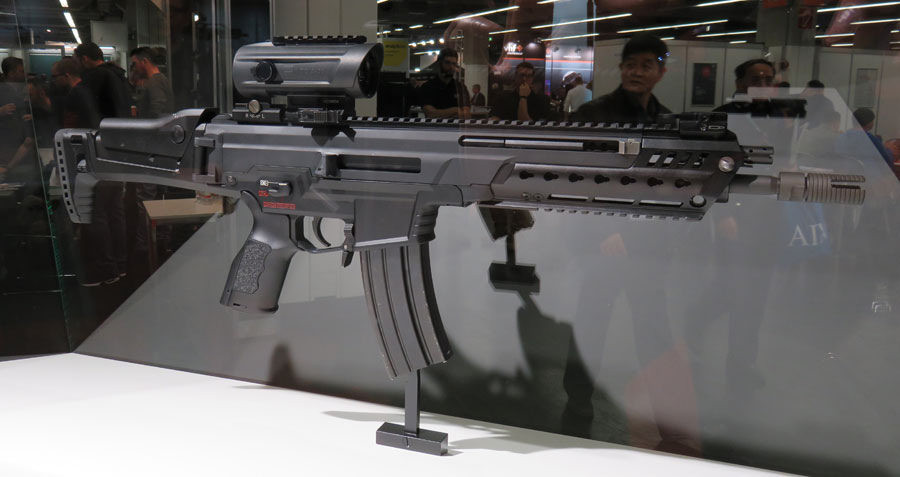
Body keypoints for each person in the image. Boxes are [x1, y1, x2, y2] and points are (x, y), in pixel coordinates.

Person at [573, 34, 669, 123]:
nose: (637, 73)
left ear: (660, 73)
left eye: (646, 66)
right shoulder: (591, 114)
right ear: (621, 67)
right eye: (630, 65)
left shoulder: (665, 118)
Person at [74, 42, 132, 120]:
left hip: (106, 125)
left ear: (84, 59)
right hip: (122, 123)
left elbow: (84, 107)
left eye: (76, 62)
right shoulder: (117, 73)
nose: (76, 66)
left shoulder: (94, 77)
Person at [419, 49, 470, 119]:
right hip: (435, 126)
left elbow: (466, 114)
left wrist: (440, 113)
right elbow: (430, 114)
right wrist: (456, 110)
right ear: (439, 64)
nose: (451, 67)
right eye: (447, 63)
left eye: (454, 64)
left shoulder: (460, 87)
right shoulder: (428, 87)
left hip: (456, 126)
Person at [52, 58, 100, 129]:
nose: (54, 80)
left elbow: (70, 126)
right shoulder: (87, 87)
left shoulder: (75, 93)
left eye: (55, 76)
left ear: (67, 75)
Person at [130, 47, 174, 119]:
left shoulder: (155, 80)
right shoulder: (157, 79)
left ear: (144, 61)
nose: (134, 68)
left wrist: (148, 123)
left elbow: (158, 110)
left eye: (135, 63)